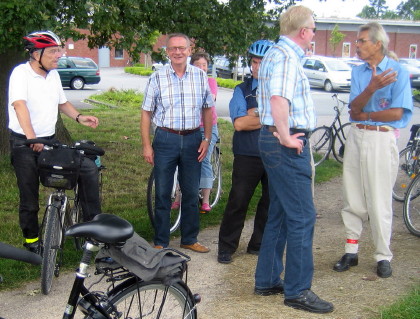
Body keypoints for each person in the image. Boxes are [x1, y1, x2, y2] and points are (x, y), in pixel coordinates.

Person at [254, 6, 334, 314]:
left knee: (281, 213)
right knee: (302, 216)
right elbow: (278, 99)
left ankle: (267, 280)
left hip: (273, 141)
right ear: (303, 31)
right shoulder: (286, 57)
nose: (314, 34)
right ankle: (298, 290)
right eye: (313, 29)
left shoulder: (277, 54)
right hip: (285, 144)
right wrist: (287, 136)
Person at [8, 31, 102, 254]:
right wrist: (32, 138)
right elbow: (19, 105)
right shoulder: (20, 74)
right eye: (53, 51)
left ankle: (93, 232)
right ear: (36, 54)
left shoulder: (54, 75)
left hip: (49, 141)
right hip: (24, 142)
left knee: (87, 170)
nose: (58, 55)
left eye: (59, 50)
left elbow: (62, 103)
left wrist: (80, 117)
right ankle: (31, 242)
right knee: (29, 197)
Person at [333, 22, 412, 279]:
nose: (356, 46)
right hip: (357, 135)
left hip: (381, 138)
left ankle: (382, 255)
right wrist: (372, 88)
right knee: (353, 195)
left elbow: (397, 113)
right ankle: (351, 251)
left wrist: (366, 112)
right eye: (356, 41)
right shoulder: (359, 72)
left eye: (362, 41)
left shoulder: (398, 71)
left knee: (379, 200)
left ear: (378, 44)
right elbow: (353, 109)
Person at [141, 33, 214, 253]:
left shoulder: (200, 76)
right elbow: (146, 113)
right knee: (163, 192)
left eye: (182, 48)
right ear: (167, 52)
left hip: (193, 139)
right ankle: (161, 240)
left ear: (189, 50)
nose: (178, 52)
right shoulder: (157, 77)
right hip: (165, 139)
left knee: (191, 192)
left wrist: (206, 138)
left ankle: (189, 238)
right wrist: (146, 145)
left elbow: (208, 108)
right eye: (173, 48)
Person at [217, 40, 273, 264]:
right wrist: (270, 116)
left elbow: (287, 117)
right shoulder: (242, 90)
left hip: (273, 153)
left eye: (262, 63)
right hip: (248, 154)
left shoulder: (280, 89)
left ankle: (257, 244)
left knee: (270, 202)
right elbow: (239, 124)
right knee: (238, 200)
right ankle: (226, 247)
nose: (257, 67)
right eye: (254, 62)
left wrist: (256, 114)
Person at [171, 52, 218, 213]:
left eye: (204, 65)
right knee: (182, 161)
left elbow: (211, 98)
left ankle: (205, 200)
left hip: (207, 127)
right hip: (190, 127)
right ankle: (178, 197)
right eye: (198, 65)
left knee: (203, 159)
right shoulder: (186, 82)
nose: (202, 68)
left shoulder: (210, 82)